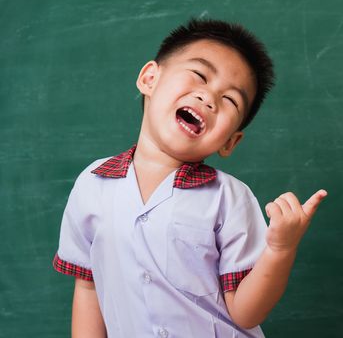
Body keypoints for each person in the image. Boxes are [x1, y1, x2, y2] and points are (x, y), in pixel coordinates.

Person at [52, 18, 327, 338]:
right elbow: (88, 287)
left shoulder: (229, 198)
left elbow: (246, 311)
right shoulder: (93, 184)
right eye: (199, 76)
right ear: (149, 78)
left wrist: (280, 249)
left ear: (230, 142)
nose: (209, 99)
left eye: (230, 101)